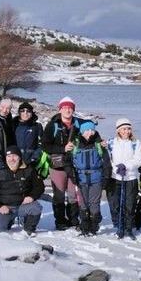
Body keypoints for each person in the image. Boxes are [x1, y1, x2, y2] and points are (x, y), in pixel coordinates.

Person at [42, 97, 88, 230]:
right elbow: (45, 145)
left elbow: (91, 130)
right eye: (65, 108)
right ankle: (60, 221)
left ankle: (74, 220)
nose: (67, 110)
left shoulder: (79, 123)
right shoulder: (53, 125)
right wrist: (63, 149)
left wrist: (99, 141)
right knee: (59, 195)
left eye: (70, 108)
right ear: (60, 109)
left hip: (74, 165)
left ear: (73, 110)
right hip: (58, 166)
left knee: (73, 195)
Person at [0, 146, 44, 236]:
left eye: (14, 156)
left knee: (36, 208)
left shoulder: (28, 169)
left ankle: (28, 228)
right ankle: (3, 219)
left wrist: (32, 196)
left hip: (22, 205)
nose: (12, 159)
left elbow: (39, 186)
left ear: (19, 157)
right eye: (9, 156)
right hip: (5, 207)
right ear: (5, 158)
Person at [71, 122, 110, 236]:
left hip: (96, 177)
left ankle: (94, 226)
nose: (90, 133)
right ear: (82, 132)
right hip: (80, 178)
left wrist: (106, 178)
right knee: (83, 204)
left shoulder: (99, 145)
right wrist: (72, 175)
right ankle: (84, 227)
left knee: (94, 203)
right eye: (87, 131)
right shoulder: (75, 144)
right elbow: (68, 161)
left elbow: (106, 162)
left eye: (92, 130)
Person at [107, 118, 141, 240]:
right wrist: (116, 168)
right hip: (115, 177)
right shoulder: (111, 142)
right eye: (123, 129)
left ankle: (128, 229)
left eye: (128, 128)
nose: (126, 131)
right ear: (118, 130)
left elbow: (139, 159)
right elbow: (108, 159)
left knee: (130, 204)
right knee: (116, 204)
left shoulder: (136, 143)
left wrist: (126, 166)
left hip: (131, 177)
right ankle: (119, 227)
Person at [13, 102, 44, 171]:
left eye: (28, 111)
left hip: (32, 162)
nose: (25, 113)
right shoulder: (14, 125)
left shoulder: (37, 126)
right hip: (16, 162)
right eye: (22, 111)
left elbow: (41, 145)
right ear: (19, 113)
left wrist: (34, 158)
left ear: (32, 113)